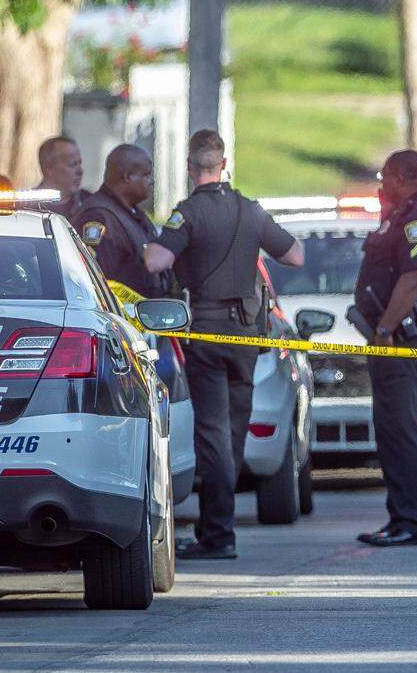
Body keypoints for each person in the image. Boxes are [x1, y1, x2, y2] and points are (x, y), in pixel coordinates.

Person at [144, 130, 304, 560]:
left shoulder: (188, 213)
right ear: (224, 162)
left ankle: (218, 535)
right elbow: (295, 256)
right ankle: (220, 527)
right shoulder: (251, 210)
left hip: (207, 336)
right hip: (248, 336)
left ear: (190, 166)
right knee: (232, 433)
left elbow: (156, 259)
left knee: (213, 434)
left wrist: (158, 249)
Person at [354, 150, 417, 547]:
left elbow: (414, 278)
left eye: (384, 178)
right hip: (398, 335)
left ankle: (413, 521)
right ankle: (401, 518)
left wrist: (384, 326)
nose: (381, 185)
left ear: (398, 177)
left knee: (402, 428)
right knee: (392, 429)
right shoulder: (403, 214)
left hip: (406, 336)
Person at [72, 144, 170, 299]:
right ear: (128, 176)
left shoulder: (133, 213)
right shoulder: (98, 217)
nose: (151, 181)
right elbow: (101, 280)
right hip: (121, 318)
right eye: (146, 175)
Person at [36, 136, 90, 219]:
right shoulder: (26, 207)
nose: (80, 171)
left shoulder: (90, 205)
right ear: (49, 168)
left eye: (80, 163)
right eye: (72, 164)